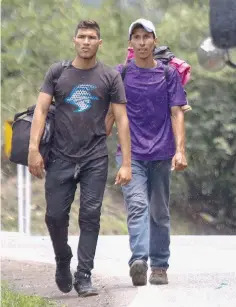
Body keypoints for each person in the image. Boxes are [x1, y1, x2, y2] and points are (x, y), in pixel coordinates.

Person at [28, 20, 132, 297]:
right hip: (59, 156)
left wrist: (126, 163)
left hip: (94, 158)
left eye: (92, 37)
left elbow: (121, 120)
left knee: (90, 215)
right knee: (54, 216)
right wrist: (33, 149)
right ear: (74, 40)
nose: (86, 41)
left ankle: (84, 274)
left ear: (100, 43)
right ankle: (63, 260)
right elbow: (40, 111)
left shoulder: (110, 76)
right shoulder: (57, 73)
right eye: (82, 36)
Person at [105, 18, 188, 286]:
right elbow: (110, 115)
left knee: (159, 212)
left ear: (155, 40)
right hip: (131, 155)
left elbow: (177, 113)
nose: (142, 42)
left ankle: (160, 266)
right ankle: (139, 260)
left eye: (146, 37)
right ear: (130, 43)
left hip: (162, 153)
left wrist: (180, 151)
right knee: (138, 206)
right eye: (137, 37)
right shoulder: (122, 74)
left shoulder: (167, 74)